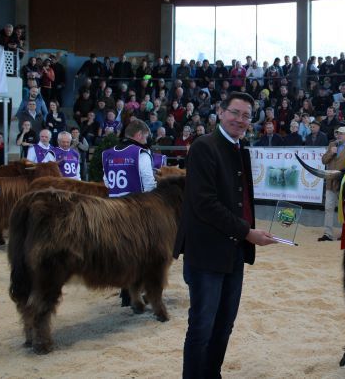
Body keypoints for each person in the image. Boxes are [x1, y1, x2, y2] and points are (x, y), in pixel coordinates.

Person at [174, 92, 275, 379]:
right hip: (206, 253)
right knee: (202, 326)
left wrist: (247, 234)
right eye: (235, 112)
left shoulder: (239, 148)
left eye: (246, 115)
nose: (240, 120)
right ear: (220, 112)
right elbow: (205, 204)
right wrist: (248, 232)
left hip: (234, 252)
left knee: (224, 324)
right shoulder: (204, 146)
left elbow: (239, 201)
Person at [102, 118, 157, 306]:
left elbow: (107, 182)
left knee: (122, 253)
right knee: (143, 253)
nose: (147, 140)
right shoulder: (141, 153)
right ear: (139, 135)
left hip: (113, 210)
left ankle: (125, 293)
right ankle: (136, 293)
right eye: (146, 136)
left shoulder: (107, 154)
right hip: (135, 210)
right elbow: (148, 182)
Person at [319, 126, 345, 242]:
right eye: (338, 133)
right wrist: (331, 153)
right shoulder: (332, 145)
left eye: (342, 133)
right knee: (328, 208)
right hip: (331, 183)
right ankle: (327, 234)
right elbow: (324, 160)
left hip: (344, 184)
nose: (339, 135)